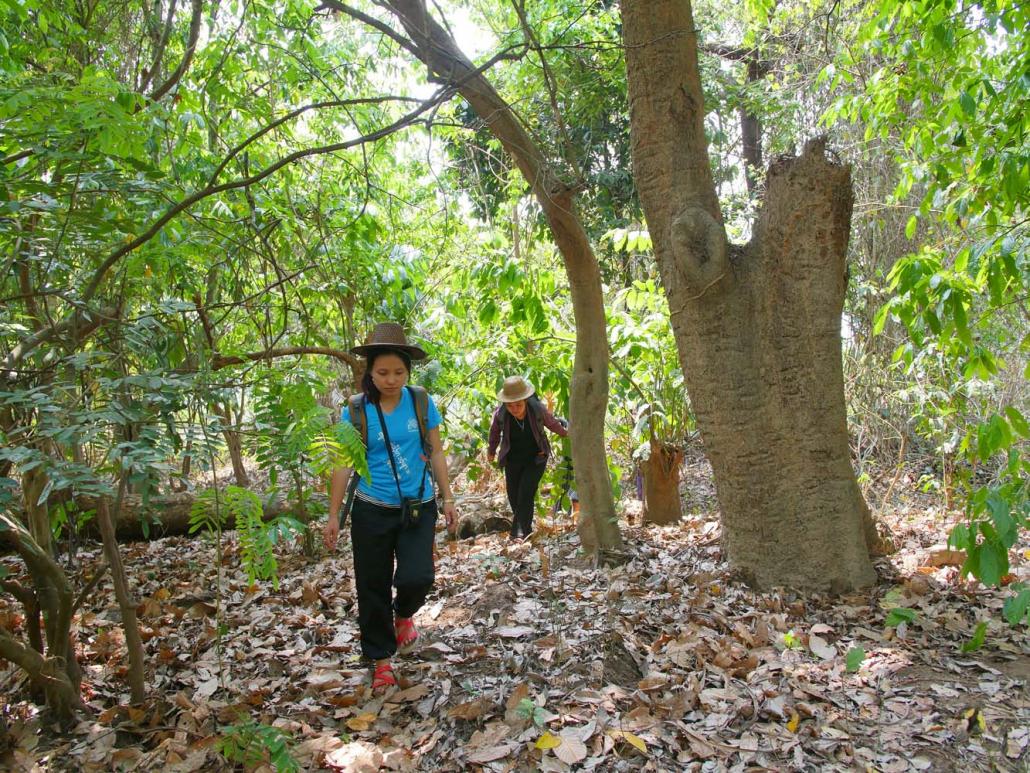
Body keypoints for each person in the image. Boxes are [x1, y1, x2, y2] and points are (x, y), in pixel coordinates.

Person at [323, 322, 457, 694]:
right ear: (369, 371)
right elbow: (343, 463)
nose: (391, 379)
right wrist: (334, 514)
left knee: (419, 576)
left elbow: (437, 450)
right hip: (372, 509)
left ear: (408, 371)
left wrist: (448, 496)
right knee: (373, 585)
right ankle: (381, 660)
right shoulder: (356, 410)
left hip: (418, 503)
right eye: (382, 372)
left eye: (398, 372)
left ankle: (404, 615)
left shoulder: (420, 401)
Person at [487, 376, 569, 541]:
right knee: (513, 495)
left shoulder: (537, 409)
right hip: (513, 459)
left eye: (518, 405)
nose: (514, 409)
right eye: (510, 405)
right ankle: (526, 529)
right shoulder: (501, 414)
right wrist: (491, 450)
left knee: (526, 492)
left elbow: (552, 423)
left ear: (525, 400)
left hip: (536, 458)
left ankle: (517, 534)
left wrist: (567, 433)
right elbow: (494, 432)